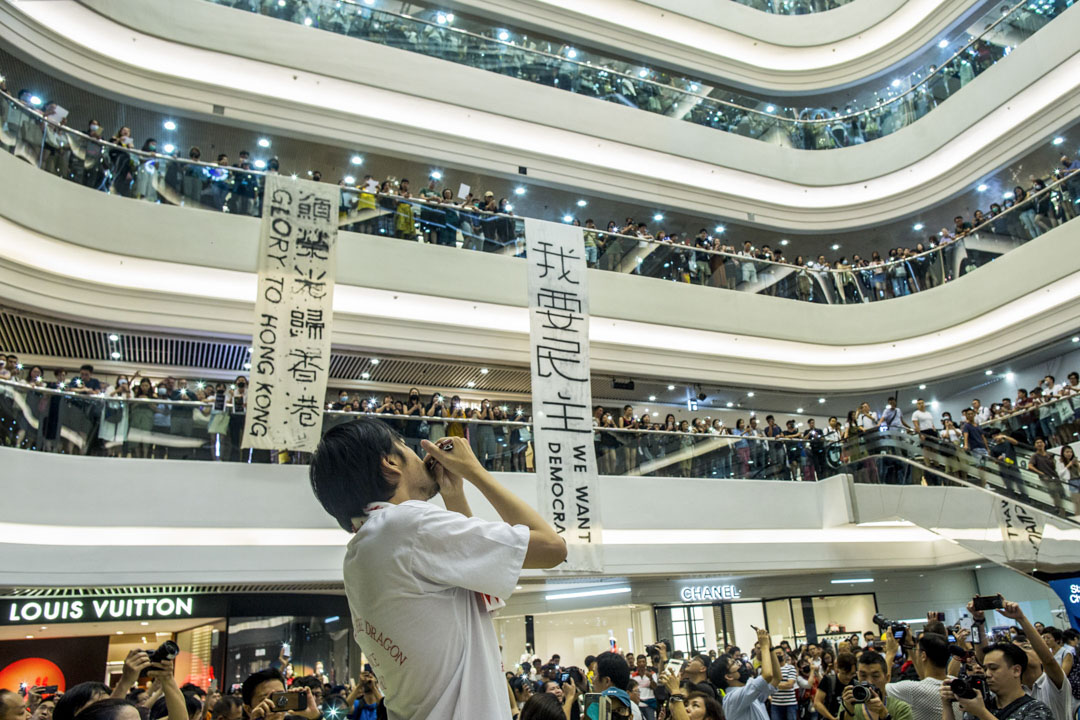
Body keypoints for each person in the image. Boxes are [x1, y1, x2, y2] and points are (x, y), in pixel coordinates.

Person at [308, 418, 566, 719]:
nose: (419, 454)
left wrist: (453, 494)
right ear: (390, 462)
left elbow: (475, 583)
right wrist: (475, 471)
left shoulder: (361, 552)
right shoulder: (407, 524)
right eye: (405, 446)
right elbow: (553, 548)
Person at [940, 643, 1052, 720]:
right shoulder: (980, 705)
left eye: (993, 668)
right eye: (985, 669)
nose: (987, 674)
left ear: (1016, 670)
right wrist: (947, 705)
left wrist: (981, 713)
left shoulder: (1036, 709)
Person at [709, 627, 780, 720]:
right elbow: (767, 675)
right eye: (734, 663)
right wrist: (764, 646)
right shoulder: (732, 699)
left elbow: (776, 678)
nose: (739, 663)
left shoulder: (748, 691)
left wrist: (770, 648)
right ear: (729, 676)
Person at [884, 633, 950, 720]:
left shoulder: (913, 690)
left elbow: (881, 690)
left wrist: (890, 653)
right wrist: (910, 648)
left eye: (917, 650)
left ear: (923, 656)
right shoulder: (953, 682)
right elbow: (925, 677)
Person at [840, 653, 912, 720]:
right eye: (863, 676)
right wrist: (849, 713)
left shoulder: (901, 709)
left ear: (887, 678)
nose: (869, 681)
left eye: (875, 676)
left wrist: (884, 714)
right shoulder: (849, 704)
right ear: (857, 676)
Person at [815, 653, 858, 720]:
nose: (848, 677)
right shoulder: (828, 680)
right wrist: (831, 718)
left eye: (852, 674)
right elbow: (817, 702)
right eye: (845, 673)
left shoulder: (856, 683)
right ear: (838, 668)